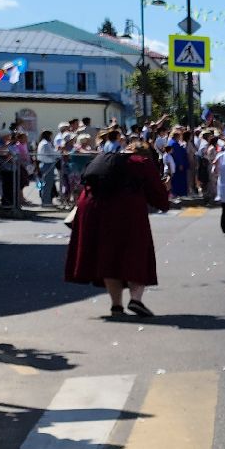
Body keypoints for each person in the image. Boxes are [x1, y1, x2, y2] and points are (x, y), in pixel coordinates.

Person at [64, 136, 168, 318]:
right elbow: (160, 199)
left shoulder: (103, 159)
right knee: (136, 254)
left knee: (108, 257)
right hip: (127, 212)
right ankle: (135, 299)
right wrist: (165, 188)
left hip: (94, 211)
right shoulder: (142, 162)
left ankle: (116, 305)